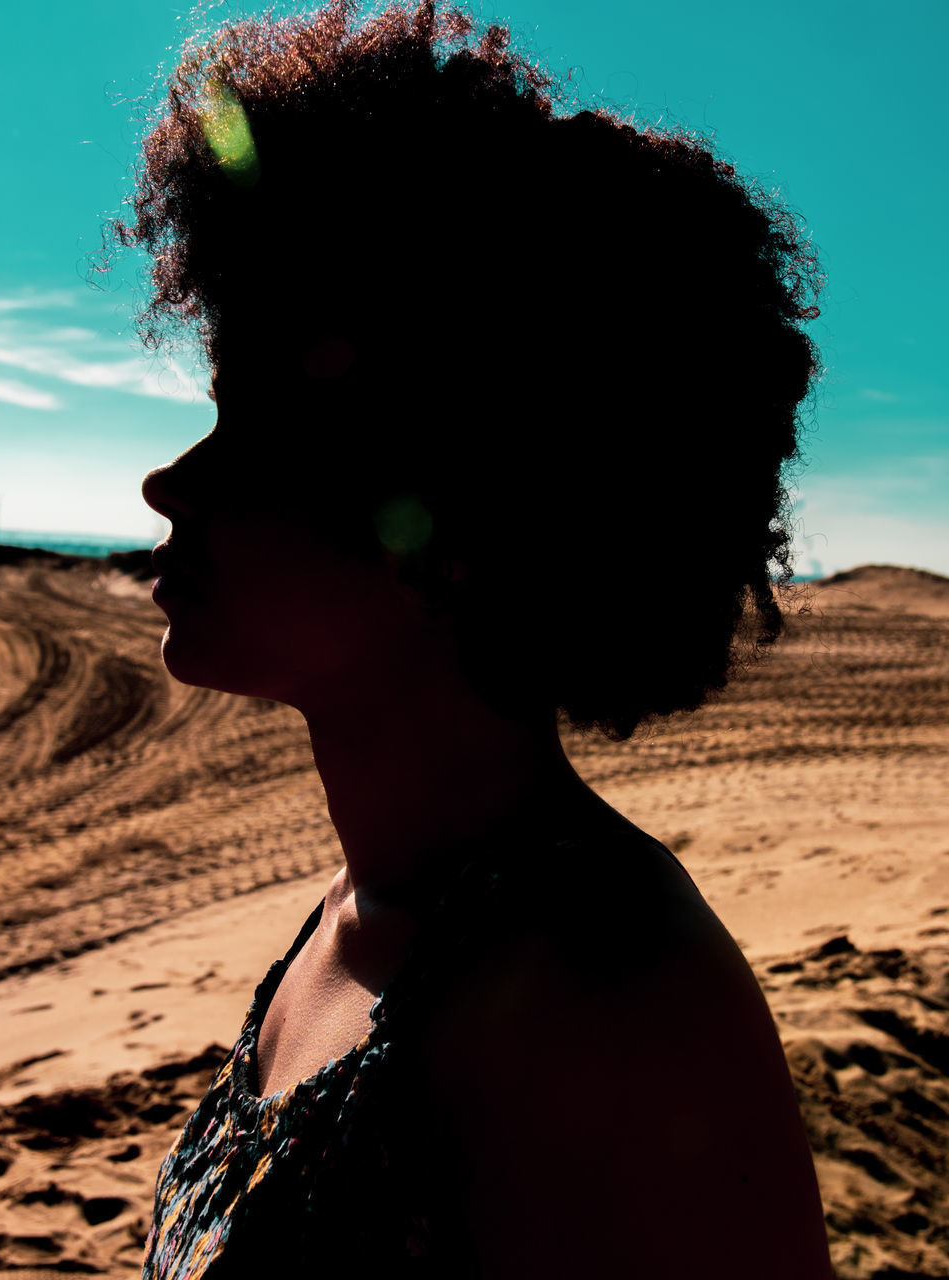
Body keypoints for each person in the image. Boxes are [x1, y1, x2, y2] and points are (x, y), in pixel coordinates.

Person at [131, 1, 832, 1275]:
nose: (167, 486)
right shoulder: (367, 906)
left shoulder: (614, 999)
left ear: (446, 525)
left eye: (251, 429)